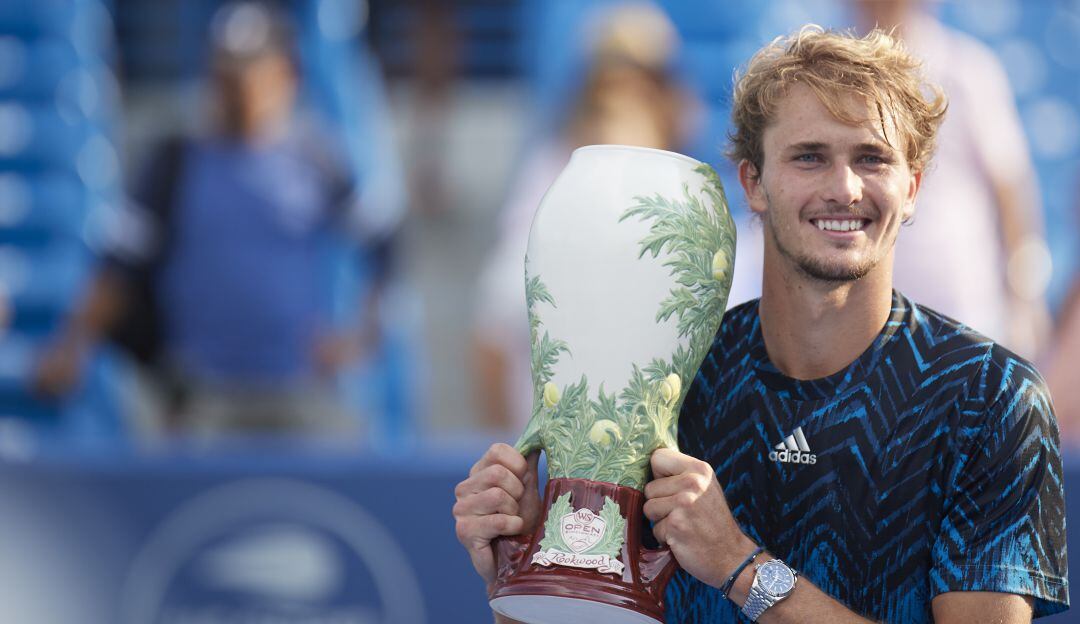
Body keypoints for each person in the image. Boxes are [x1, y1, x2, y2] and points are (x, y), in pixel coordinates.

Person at [453, 25, 1068, 623]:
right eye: (809, 157)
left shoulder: (992, 397)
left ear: (912, 186)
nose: (845, 187)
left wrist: (741, 569)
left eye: (872, 158)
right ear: (753, 182)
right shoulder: (665, 378)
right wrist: (521, 568)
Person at [33, 2, 390, 441]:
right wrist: (72, 347)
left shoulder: (318, 160)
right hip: (203, 394)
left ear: (285, 75)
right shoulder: (174, 161)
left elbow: (385, 243)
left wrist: (361, 336)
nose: (235, 90)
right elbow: (119, 266)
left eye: (248, 74)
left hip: (299, 390)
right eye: (224, 74)